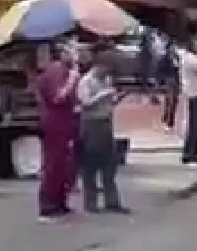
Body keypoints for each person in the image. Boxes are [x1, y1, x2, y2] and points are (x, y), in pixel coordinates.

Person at [76, 52, 129, 213]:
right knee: (90, 165)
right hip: (91, 124)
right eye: (107, 70)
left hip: (106, 123)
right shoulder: (86, 81)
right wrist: (103, 94)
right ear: (98, 66)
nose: (108, 75)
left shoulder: (106, 80)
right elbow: (85, 102)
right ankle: (90, 203)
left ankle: (112, 201)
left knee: (109, 164)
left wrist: (116, 98)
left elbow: (109, 102)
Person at [37, 44, 80, 221]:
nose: (75, 55)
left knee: (65, 164)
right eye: (72, 51)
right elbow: (58, 97)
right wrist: (72, 80)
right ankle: (48, 204)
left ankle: (59, 201)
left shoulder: (65, 70)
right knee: (54, 163)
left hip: (66, 122)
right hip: (56, 122)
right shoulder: (56, 71)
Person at [156, 41, 181, 132]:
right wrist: (160, 81)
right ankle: (169, 121)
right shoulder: (165, 58)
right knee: (171, 101)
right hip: (169, 80)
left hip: (175, 81)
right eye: (172, 48)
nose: (174, 50)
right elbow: (160, 69)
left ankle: (167, 116)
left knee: (172, 101)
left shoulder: (177, 58)